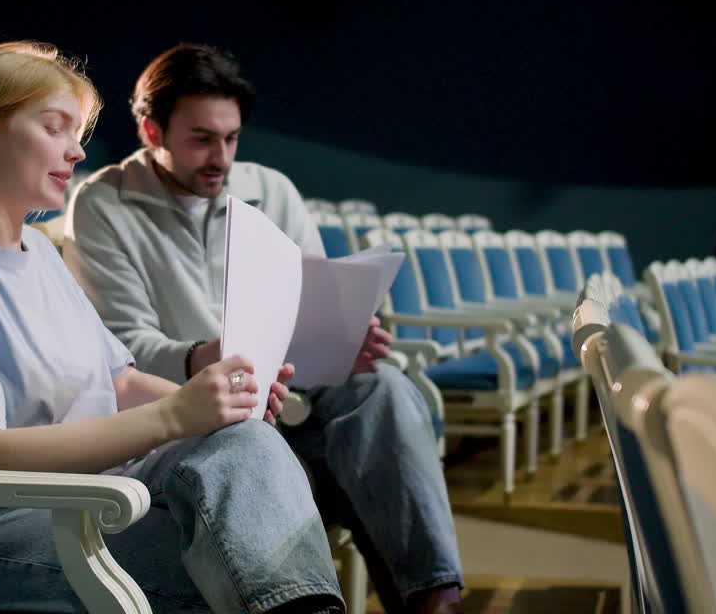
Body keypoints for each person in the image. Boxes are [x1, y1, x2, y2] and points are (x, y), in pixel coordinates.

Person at [0, 41, 346, 614]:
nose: (75, 151)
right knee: (238, 557)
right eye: (55, 128)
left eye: (77, 133)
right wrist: (174, 416)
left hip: (90, 493)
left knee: (245, 441)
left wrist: (221, 403)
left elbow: (119, 381)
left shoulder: (38, 254)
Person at [64, 44, 465, 614]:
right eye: (201, 139)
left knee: (385, 387)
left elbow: (311, 305)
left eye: (231, 138)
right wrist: (207, 357)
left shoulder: (272, 189)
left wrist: (340, 343)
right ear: (152, 131)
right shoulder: (103, 204)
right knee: (283, 444)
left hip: (290, 401)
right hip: (196, 421)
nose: (221, 158)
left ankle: (435, 599)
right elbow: (122, 350)